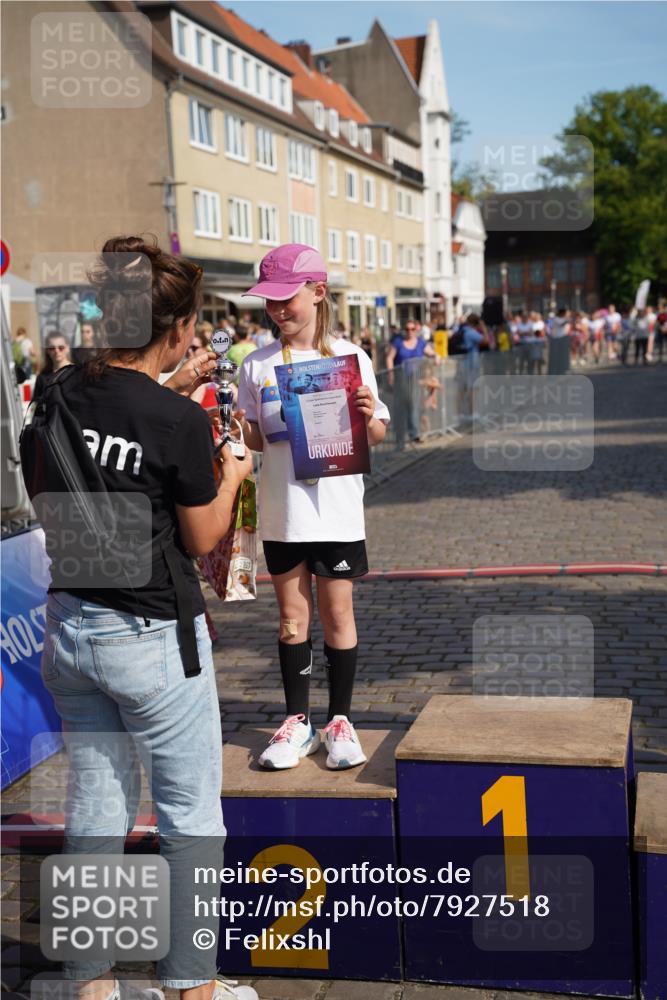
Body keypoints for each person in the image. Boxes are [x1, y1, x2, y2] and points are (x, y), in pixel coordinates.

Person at [36, 235, 256, 1000]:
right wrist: (232, 475)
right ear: (177, 327)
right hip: (154, 635)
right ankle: (191, 987)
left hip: (69, 624)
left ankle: (92, 981)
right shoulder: (177, 421)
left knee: (97, 803)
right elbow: (201, 538)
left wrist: (169, 381)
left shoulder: (56, 389)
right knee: (191, 814)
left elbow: (112, 416)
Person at [236, 244, 389, 771]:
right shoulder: (255, 364)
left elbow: (376, 433)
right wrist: (236, 427)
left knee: (338, 614)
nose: (278, 311)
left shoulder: (351, 358)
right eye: (269, 302)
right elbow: (255, 439)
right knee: (289, 620)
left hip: (338, 512)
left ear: (318, 293)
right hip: (285, 514)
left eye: (287, 299)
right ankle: (296, 722)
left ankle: (340, 720)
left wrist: (368, 414)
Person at [385, 320, 439, 444]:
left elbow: (431, 353)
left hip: (416, 380)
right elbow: (389, 358)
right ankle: (399, 436)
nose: (409, 331)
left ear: (416, 330)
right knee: (400, 407)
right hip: (401, 380)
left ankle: (414, 434)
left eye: (412, 329)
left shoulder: (420, 343)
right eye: (407, 329)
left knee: (414, 406)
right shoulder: (398, 342)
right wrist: (390, 374)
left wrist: (436, 356)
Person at [456, 313, 489, 419]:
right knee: (472, 389)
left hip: (462, 364)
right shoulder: (471, 332)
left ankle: (460, 413)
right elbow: (486, 341)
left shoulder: (461, 330)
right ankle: (472, 413)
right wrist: (483, 328)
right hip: (471, 364)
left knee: (462, 389)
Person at [33, 331, 73, 398]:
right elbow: (37, 403)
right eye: (52, 348)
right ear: (47, 351)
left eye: (61, 347)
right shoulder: (42, 377)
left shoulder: (77, 373)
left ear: (68, 348)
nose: (56, 351)